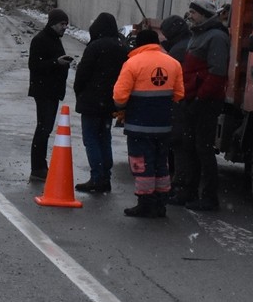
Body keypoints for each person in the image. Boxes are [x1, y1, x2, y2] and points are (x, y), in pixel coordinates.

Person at [113, 27, 184, 218]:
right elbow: (179, 95)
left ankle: (145, 203)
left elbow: (119, 98)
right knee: (161, 163)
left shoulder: (132, 63)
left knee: (142, 164)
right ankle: (161, 203)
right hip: (164, 125)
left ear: (138, 44)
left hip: (139, 124)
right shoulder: (174, 63)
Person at [182, 0, 231, 211]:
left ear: (203, 14)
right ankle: (189, 191)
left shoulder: (216, 38)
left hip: (206, 103)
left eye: (193, 12)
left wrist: (201, 98)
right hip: (194, 99)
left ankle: (209, 197)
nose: (190, 16)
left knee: (203, 149)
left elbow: (217, 73)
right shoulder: (199, 34)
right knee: (192, 148)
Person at [73, 12, 129, 193]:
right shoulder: (121, 48)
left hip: (91, 101)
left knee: (91, 139)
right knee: (105, 138)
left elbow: (82, 74)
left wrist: (79, 91)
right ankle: (106, 176)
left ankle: (97, 177)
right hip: (110, 102)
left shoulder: (95, 47)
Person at [27, 8, 72, 181]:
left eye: (66, 24)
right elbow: (34, 65)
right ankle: (37, 167)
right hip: (44, 91)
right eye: (62, 24)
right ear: (53, 23)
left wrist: (62, 63)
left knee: (46, 128)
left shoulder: (54, 39)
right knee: (43, 128)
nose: (64, 27)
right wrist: (56, 63)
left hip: (52, 92)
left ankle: (40, 166)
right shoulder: (40, 40)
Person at [159, 14, 195, 204]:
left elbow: (172, 78)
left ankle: (181, 187)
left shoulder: (178, 51)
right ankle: (181, 185)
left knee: (180, 147)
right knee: (182, 147)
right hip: (186, 102)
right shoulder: (186, 44)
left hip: (180, 104)